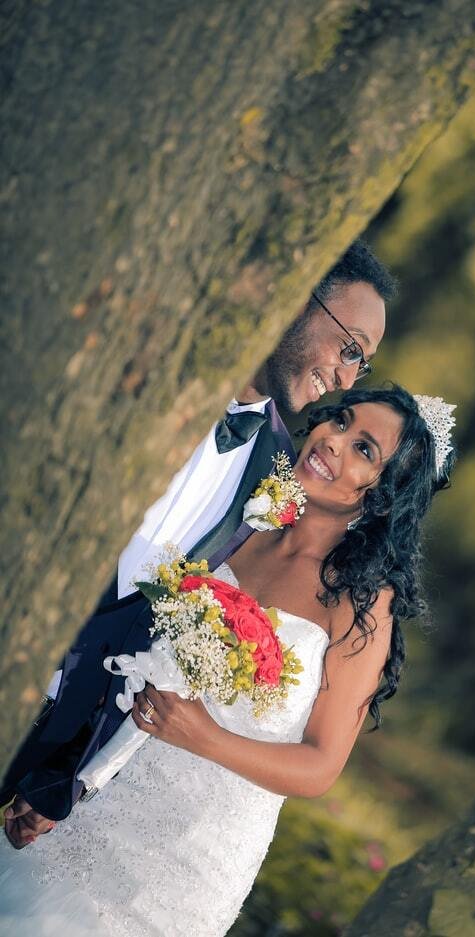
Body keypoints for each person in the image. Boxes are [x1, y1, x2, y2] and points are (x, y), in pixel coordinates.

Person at [0, 385, 455, 937]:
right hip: (95, 793)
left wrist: (202, 736)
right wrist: (60, 780)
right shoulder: (242, 523)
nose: (334, 440)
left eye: (364, 449)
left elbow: (320, 767)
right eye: (339, 420)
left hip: (187, 857)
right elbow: (131, 653)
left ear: (383, 493)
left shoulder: (362, 605)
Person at [1, 238, 396, 844]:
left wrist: (64, 775)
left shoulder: (272, 475)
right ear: (298, 294)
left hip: (37, 735)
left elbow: (155, 632)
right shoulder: (146, 365)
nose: (345, 377)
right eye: (348, 347)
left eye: (359, 363)